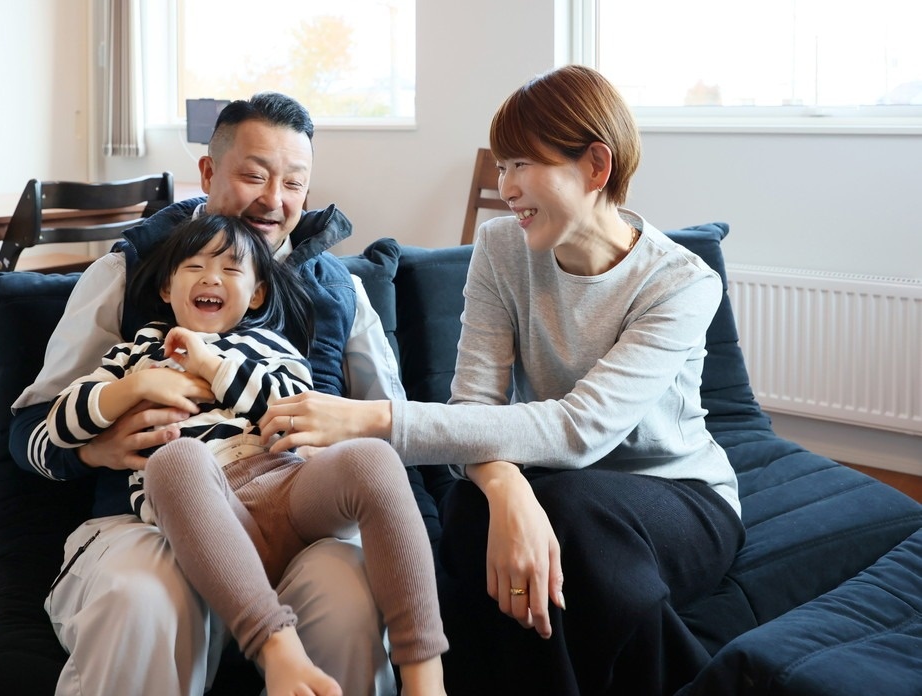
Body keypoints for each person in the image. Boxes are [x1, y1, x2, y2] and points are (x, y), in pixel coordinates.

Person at [258, 64, 746, 696]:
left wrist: (373, 418)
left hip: (676, 494)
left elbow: (580, 428)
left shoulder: (680, 283)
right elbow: (475, 403)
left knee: (565, 515)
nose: (505, 186)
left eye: (523, 164)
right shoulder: (501, 248)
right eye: (502, 165)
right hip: (554, 482)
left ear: (596, 167)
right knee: (469, 510)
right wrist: (508, 488)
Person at [10, 92, 408, 696]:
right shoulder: (131, 271)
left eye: (294, 183)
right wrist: (91, 450)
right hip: (148, 524)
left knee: (350, 599)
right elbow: (30, 427)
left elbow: (394, 430)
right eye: (254, 175)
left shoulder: (342, 291)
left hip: (300, 519)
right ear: (207, 172)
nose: (273, 200)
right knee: (142, 598)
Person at [44, 215, 448, 696]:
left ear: (256, 294)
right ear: (167, 288)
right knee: (175, 460)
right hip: (204, 509)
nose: (212, 278)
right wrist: (136, 386)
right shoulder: (138, 351)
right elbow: (60, 423)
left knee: (372, 459)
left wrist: (211, 365)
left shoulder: (270, 345)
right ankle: (278, 649)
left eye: (232, 269)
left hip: (286, 488)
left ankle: (425, 678)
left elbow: (292, 411)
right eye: (195, 266)